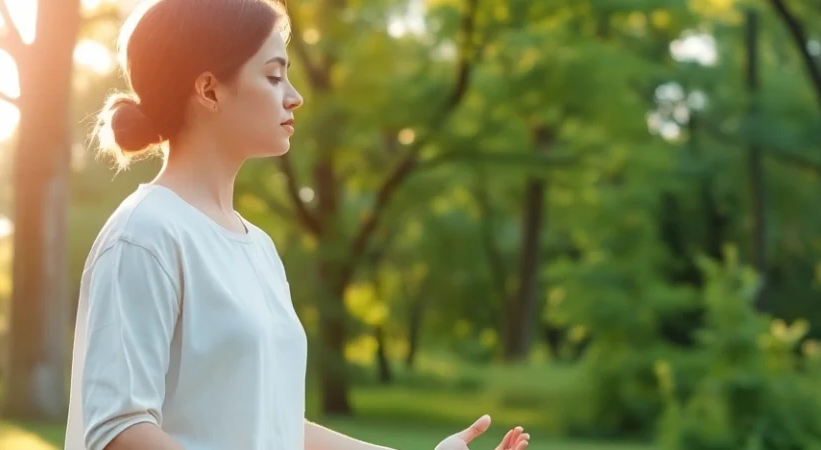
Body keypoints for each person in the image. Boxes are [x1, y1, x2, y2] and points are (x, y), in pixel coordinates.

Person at [63, 1, 533, 449]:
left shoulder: (258, 248)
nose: (295, 96)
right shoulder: (144, 236)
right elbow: (121, 429)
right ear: (209, 90)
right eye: (273, 76)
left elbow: (279, 427)